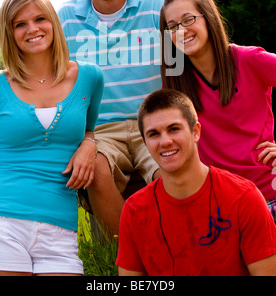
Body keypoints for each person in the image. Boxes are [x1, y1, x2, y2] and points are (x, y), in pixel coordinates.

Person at [0, 0, 104, 276]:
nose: (32, 29)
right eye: (20, 24)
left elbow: (89, 129)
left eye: (40, 19)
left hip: (59, 227)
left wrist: (89, 144)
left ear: (53, 21)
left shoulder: (89, 77)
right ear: (9, 33)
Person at [58, 0, 167, 236]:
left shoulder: (155, 3)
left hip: (153, 119)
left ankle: (175, 249)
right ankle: (124, 254)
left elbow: (184, 57)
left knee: (170, 168)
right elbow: (52, 75)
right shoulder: (66, 16)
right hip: (101, 128)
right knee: (95, 170)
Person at [116, 89, 276, 276]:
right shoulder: (135, 210)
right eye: (154, 134)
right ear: (145, 142)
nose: (165, 141)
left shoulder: (243, 198)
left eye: (173, 129)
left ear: (196, 132)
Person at [160, 0, 276, 223]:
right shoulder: (175, 85)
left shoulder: (249, 59)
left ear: (208, 19)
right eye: (172, 26)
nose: (181, 31)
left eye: (188, 19)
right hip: (221, 207)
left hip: (269, 195)